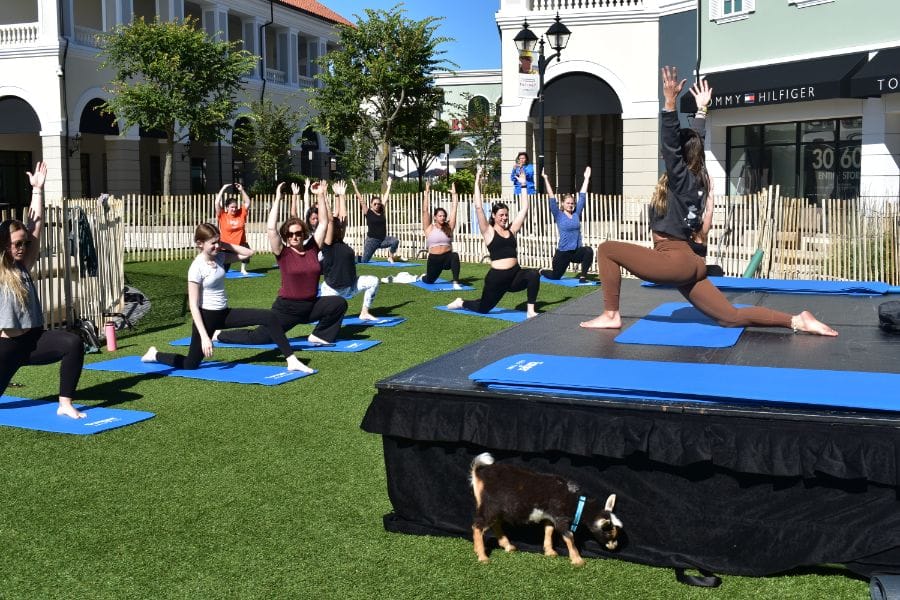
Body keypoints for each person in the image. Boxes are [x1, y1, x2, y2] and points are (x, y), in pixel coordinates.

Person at [579, 67, 837, 337]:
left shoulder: (680, 179)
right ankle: (797, 320)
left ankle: (611, 314)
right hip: (691, 263)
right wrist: (701, 111)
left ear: (679, 155)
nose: (665, 153)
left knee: (607, 249)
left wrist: (669, 102)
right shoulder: (695, 177)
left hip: (675, 260)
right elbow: (694, 142)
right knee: (730, 317)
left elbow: (671, 145)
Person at [141, 223, 312, 372]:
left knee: (269, 317)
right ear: (200, 244)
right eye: (213, 243)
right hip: (206, 319)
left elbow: (248, 252)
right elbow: (193, 305)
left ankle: (291, 360)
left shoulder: (220, 257)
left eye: (218, 242)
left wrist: (223, 243)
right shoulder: (196, 268)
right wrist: (205, 337)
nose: (217, 246)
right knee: (190, 364)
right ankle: (155, 354)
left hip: (224, 313)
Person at [213, 182, 347, 348]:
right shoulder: (283, 253)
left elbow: (324, 223)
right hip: (287, 309)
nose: (294, 237)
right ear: (285, 236)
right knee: (258, 338)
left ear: (303, 234)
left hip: (311, 306)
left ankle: (320, 336)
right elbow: (271, 229)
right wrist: (277, 198)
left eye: (298, 233)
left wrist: (320, 194)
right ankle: (219, 334)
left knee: (338, 303)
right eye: (290, 234)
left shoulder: (312, 248)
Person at [0, 162, 86, 419]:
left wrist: (37, 189)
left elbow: (35, 228)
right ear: (4, 244)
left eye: (25, 243)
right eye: (17, 243)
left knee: (72, 343)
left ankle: (65, 403)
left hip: (33, 340)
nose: (23, 247)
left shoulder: (23, 264)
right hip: (6, 347)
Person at [448, 166, 540, 318]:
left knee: (533, 275)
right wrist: (476, 181)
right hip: (497, 278)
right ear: (494, 215)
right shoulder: (488, 231)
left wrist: (524, 185)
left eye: (506, 215)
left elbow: (524, 209)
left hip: (515, 275)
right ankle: (462, 302)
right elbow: (478, 207)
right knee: (483, 308)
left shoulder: (512, 230)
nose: (504, 218)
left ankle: (530, 311)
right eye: (501, 215)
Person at [319, 181, 381, 321]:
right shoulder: (328, 244)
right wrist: (322, 195)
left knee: (374, 281)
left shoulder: (341, 240)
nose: (341, 227)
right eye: (337, 227)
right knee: (328, 319)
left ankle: (364, 312)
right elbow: (329, 220)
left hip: (351, 286)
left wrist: (341, 196)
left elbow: (344, 218)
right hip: (332, 291)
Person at [540, 166, 594, 283]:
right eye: (568, 203)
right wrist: (545, 179)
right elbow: (551, 198)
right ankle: (541, 271)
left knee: (588, 251)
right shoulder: (558, 215)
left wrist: (586, 178)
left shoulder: (576, 214)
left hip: (576, 252)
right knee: (555, 276)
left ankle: (583, 276)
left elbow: (583, 197)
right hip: (563, 253)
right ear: (563, 204)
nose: (571, 205)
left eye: (572, 203)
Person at [421, 180, 462, 288]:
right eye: (440, 216)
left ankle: (456, 282)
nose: (442, 217)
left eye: (444, 216)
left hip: (447, 257)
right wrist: (427, 193)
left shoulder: (449, 227)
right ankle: (423, 277)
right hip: (434, 259)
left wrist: (454, 195)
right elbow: (425, 211)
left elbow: (454, 209)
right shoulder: (429, 228)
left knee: (455, 256)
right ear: (435, 217)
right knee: (429, 281)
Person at [353, 177, 400, 263]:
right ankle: (352, 258)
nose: (377, 205)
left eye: (378, 204)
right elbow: (361, 200)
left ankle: (390, 256)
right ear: (371, 204)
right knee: (364, 261)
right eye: (375, 204)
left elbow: (385, 198)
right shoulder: (368, 212)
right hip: (372, 241)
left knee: (395, 241)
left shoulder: (381, 211)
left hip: (383, 240)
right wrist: (355, 187)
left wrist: (389, 186)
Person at [215, 182, 251, 275]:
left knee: (247, 253)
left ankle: (243, 269)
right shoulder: (222, 215)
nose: (234, 209)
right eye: (232, 207)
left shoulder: (241, 213)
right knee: (224, 270)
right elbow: (216, 203)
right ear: (227, 207)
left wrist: (241, 190)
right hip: (227, 245)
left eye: (235, 207)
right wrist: (223, 189)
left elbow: (247, 202)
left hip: (241, 243)